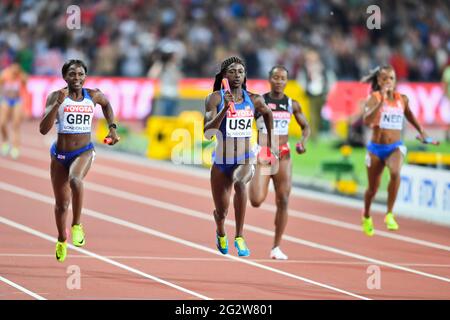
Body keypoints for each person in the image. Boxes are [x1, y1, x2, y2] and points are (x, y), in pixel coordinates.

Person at [39, 59, 120, 262]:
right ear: (65, 77)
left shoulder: (92, 96)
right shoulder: (57, 96)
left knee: (76, 180)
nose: (77, 78)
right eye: (72, 74)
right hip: (60, 156)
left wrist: (113, 128)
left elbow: (107, 104)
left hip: (84, 151)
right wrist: (57, 103)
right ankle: (61, 239)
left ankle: (76, 225)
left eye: (81, 74)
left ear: (85, 76)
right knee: (61, 205)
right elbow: (43, 129)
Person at [203, 56, 275, 257]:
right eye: (232, 72)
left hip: (245, 156)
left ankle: (240, 236)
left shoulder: (254, 99)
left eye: (241, 72)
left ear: (245, 76)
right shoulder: (215, 99)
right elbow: (207, 132)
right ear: (225, 75)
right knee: (222, 211)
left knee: (241, 179)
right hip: (221, 161)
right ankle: (220, 230)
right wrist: (224, 110)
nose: (237, 75)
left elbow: (268, 114)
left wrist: (269, 143)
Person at [249, 66, 310, 260]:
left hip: (284, 155)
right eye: (275, 77)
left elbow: (306, 126)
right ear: (269, 79)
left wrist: (303, 141)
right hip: (265, 154)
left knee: (283, 200)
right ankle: (249, 175)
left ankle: (276, 247)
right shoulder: (259, 102)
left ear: (286, 81)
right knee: (256, 201)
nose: (278, 81)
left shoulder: (292, 104)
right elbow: (242, 120)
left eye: (282, 78)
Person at [361, 65, 430, 236]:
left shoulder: (402, 99)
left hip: (395, 147)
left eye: (391, 78)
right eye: (384, 79)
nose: (388, 82)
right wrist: (381, 104)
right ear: (378, 81)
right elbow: (367, 121)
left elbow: (410, 115)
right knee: (372, 189)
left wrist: (421, 131)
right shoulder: (374, 98)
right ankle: (367, 215)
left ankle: (389, 214)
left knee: (395, 172)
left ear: (395, 80)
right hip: (376, 149)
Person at [0, 62, 28, 159]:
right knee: (2, 123)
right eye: (14, 70)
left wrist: (21, 77)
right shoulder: (5, 74)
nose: (15, 73)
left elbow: (25, 85)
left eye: (17, 71)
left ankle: (16, 147)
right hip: (6, 100)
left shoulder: (21, 76)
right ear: (11, 68)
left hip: (17, 101)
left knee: (16, 125)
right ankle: (5, 141)